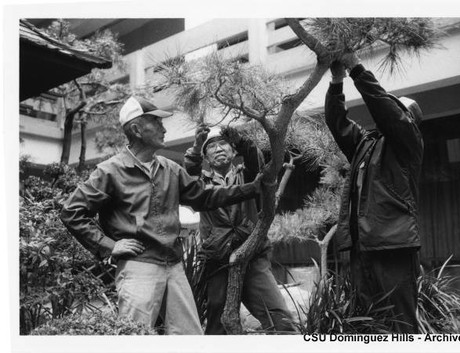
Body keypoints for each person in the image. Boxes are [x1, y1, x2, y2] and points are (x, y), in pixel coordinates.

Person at [60, 96, 264, 335]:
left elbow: (204, 197)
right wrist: (109, 245)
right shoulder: (110, 171)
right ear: (136, 129)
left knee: (190, 337)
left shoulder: (170, 168)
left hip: (174, 265)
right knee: (134, 337)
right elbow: (72, 211)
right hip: (138, 267)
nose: (163, 128)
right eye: (156, 122)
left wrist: (252, 187)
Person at [325, 53, 424, 333]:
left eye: (396, 108)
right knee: (369, 324)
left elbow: (385, 109)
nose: (387, 109)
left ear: (409, 119)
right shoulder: (366, 144)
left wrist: (357, 68)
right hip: (362, 247)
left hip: (393, 245)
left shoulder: (409, 142)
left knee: (402, 324)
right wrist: (336, 81)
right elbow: (337, 122)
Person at [184, 125, 296, 334]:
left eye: (223, 144)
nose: (218, 149)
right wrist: (196, 146)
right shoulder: (200, 182)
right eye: (212, 147)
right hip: (217, 259)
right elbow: (190, 172)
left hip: (252, 256)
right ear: (206, 157)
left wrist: (241, 141)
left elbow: (257, 160)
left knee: (280, 318)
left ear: (233, 151)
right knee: (219, 323)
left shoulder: (248, 175)